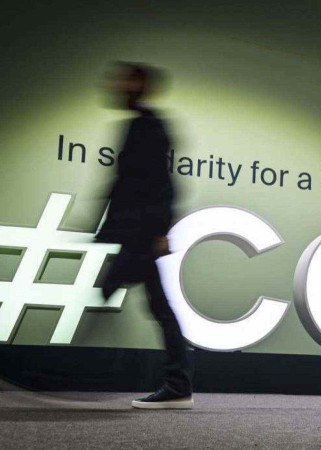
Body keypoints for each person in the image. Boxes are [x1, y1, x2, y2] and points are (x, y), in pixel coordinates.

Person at [96, 62, 193, 409]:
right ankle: (178, 384)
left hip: (142, 232)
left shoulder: (149, 127)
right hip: (136, 231)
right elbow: (123, 184)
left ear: (141, 85)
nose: (118, 85)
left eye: (126, 80)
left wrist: (160, 232)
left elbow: (161, 183)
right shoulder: (139, 125)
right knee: (154, 305)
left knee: (122, 294)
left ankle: (178, 385)